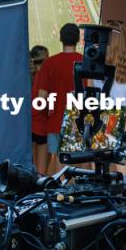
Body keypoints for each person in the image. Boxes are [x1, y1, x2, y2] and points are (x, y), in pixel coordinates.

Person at [94, 20, 126, 175]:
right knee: (123, 171)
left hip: (100, 117)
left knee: (99, 170)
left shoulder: (94, 61)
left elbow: (89, 94)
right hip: (123, 116)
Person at [37, 23, 83, 174]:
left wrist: (46, 114)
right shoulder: (85, 63)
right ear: (78, 39)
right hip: (77, 122)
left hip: (55, 121)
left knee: (59, 163)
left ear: (60, 38)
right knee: (74, 165)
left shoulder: (49, 63)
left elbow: (41, 98)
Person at [30, 45, 49, 174]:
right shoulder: (43, 77)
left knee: (30, 165)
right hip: (41, 124)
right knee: (41, 172)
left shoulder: (25, 76)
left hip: (28, 126)